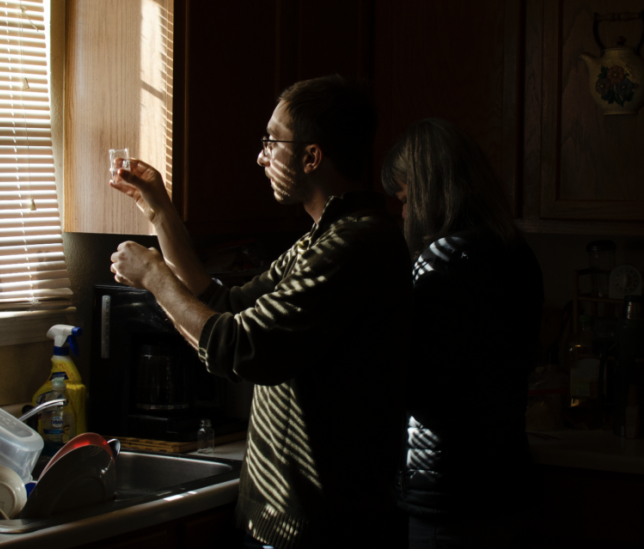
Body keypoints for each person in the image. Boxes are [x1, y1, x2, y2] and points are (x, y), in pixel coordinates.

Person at [109, 74, 412, 548]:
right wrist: (160, 212)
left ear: (312, 156)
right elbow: (222, 305)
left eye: (272, 141)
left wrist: (153, 278)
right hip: (296, 516)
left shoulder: (355, 244)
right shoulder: (326, 237)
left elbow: (242, 346)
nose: (261, 155)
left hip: (322, 523)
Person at [380, 118, 544, 548]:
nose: (402, 212)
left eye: (405, 196)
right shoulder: (516, 251)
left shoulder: (441, 258)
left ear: (428, 191)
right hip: (510, 482)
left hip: (450, 493)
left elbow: (426, 392)